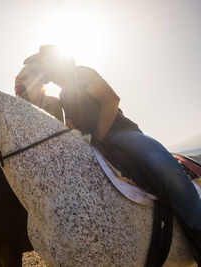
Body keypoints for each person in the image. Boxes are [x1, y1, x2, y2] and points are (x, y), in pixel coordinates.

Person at [15, 45, 201, 260]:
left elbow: (111, 100)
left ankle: (198, 231)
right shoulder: (64, 94)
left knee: (164, 166)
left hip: (120, 134)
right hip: (91, 143)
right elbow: (71, 124)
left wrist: (99, 136)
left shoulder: (84, 74)